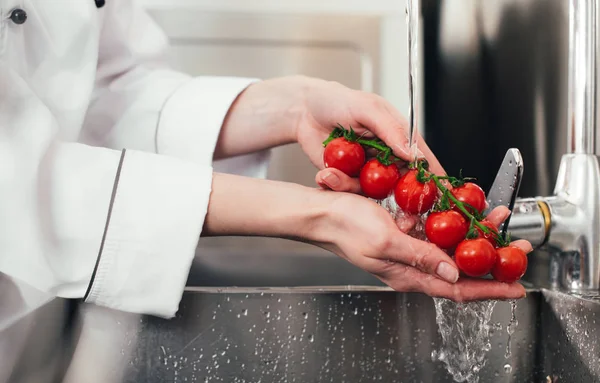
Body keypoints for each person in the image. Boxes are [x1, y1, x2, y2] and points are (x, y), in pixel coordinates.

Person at [0, 0, 531, 322]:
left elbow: (104, 91)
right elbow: (13, 187)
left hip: (45, 323)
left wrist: (296, 105)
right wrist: (317, 215)